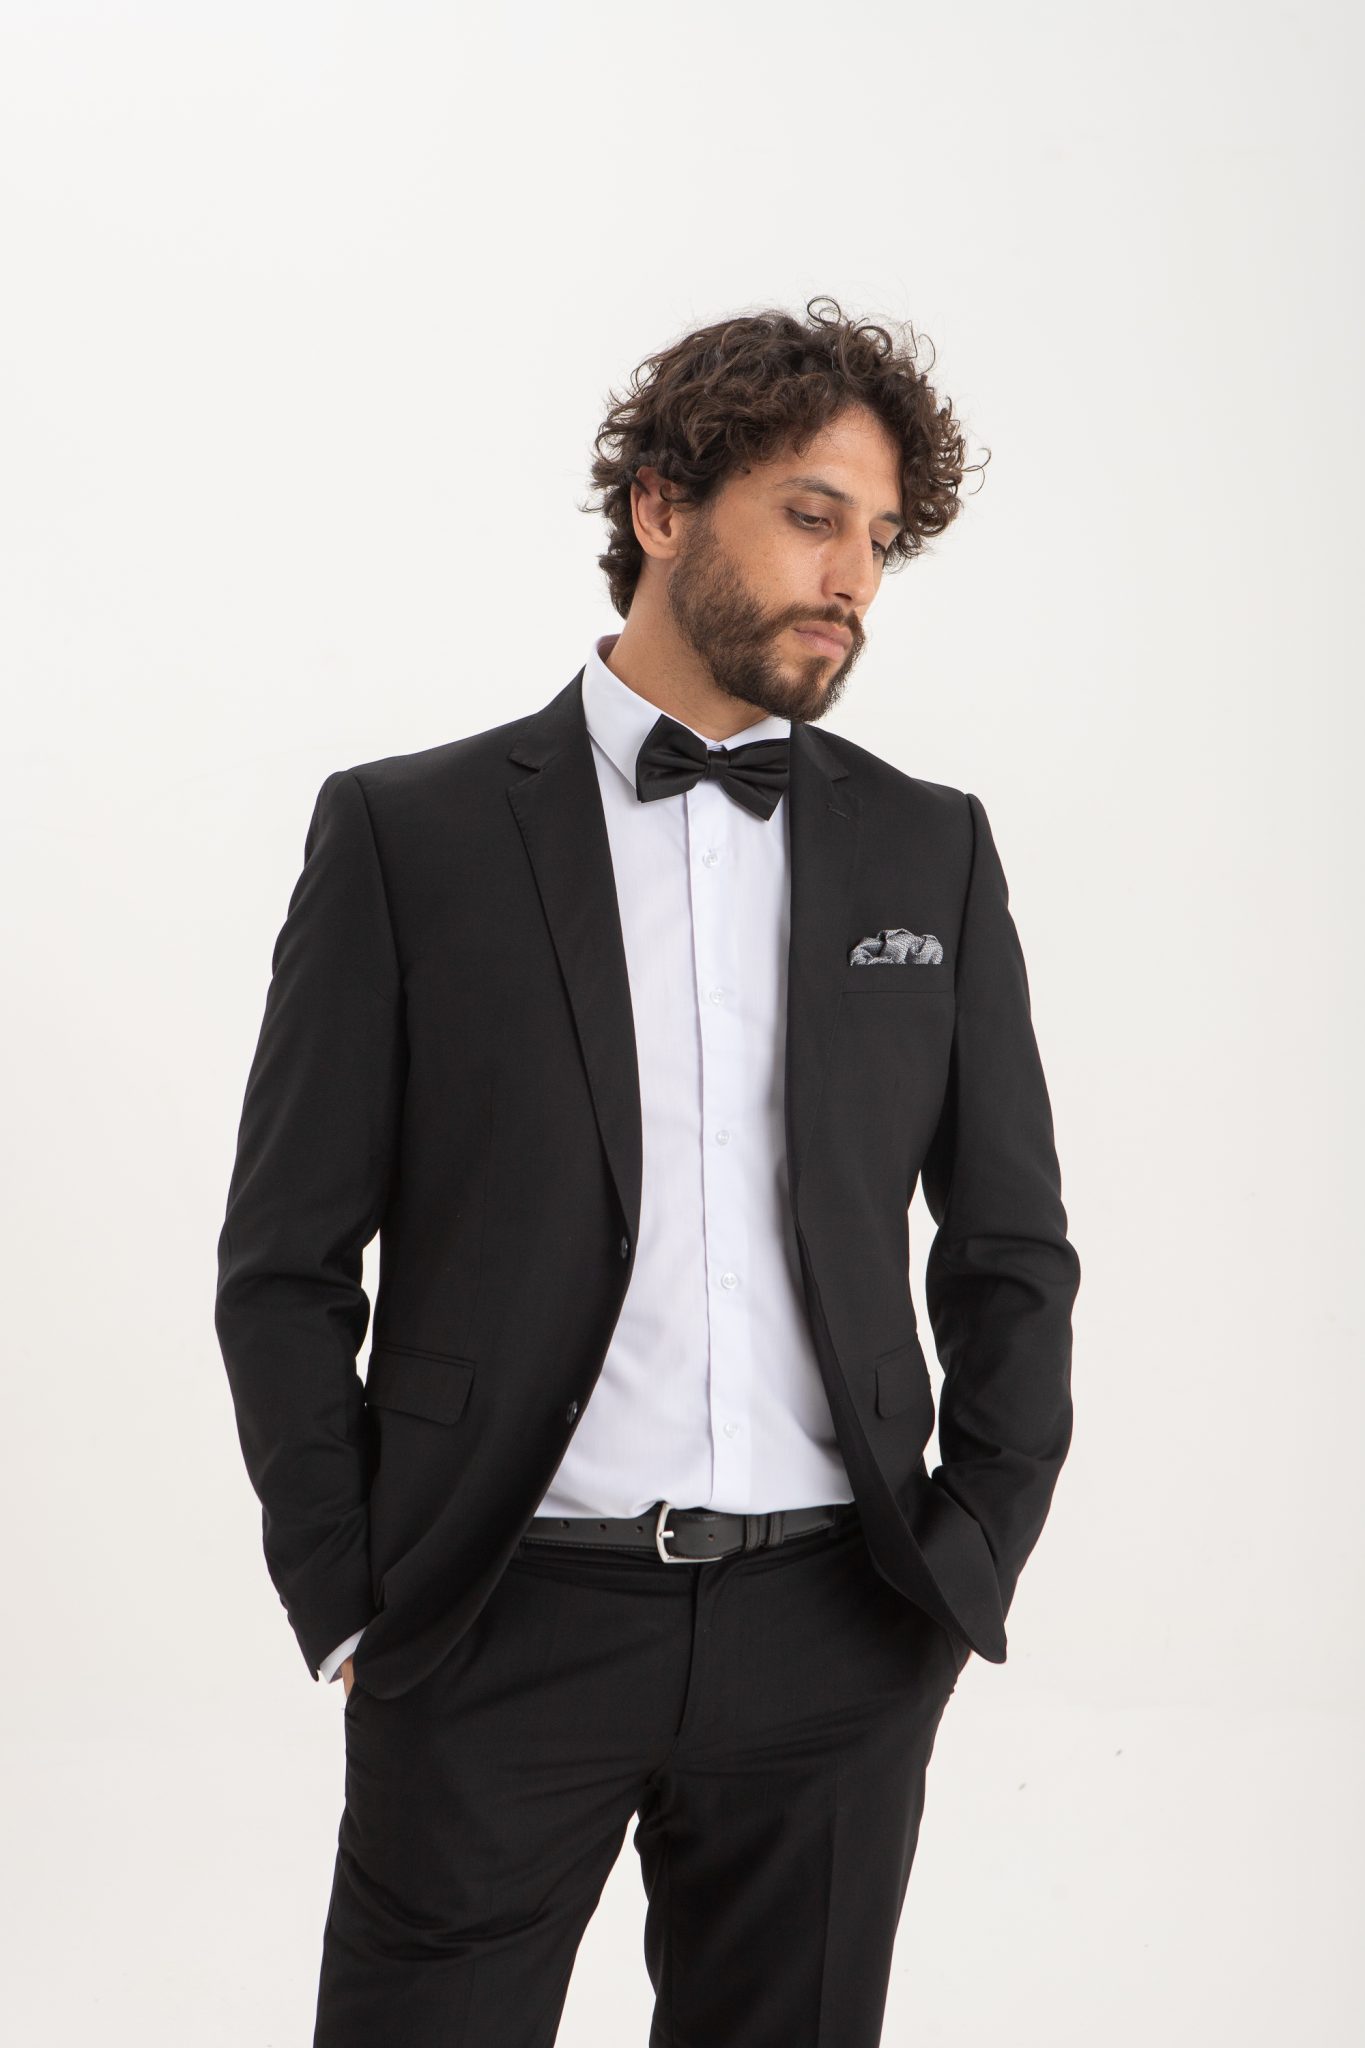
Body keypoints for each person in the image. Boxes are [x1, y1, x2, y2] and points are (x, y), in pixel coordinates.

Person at [215, 294, 1081, 2047]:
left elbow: (1008, 1248)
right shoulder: (408, 834)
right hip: (494, 1617)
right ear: (663, 508)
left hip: (836, 1629)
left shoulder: (929, 848)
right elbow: (285, 1262)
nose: (851, 578)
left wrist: (965, 1556)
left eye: (880, 539)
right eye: (811, 515)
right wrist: (346, 1596)